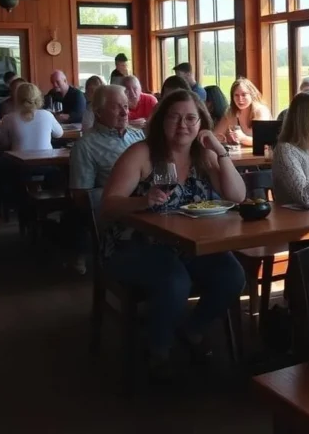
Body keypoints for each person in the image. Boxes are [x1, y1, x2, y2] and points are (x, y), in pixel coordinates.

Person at [102, 90, 246, 379]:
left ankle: (192, 329)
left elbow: (238, 195)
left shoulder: (203, 156)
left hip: (189, 245)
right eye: (175, 117)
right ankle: (158, 351)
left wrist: (219, 150)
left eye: (191, 118)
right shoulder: (142, 153)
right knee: (174, 280)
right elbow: (108, 204)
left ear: (200, 122)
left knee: (232, 275)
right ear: (162, 120)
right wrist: (143, 200)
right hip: (134, 245)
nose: (183, 124)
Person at [70, 85, 145, 191]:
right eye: (116, 107)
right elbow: (82, 197)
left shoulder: (138, 135)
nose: (124, 113)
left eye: (126, 106)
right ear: (98, 112)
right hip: (119, 205)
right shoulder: (85, 147)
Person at [0, 83, 62, 151]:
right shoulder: (47, 115)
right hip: (46, 160)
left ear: (16, 98)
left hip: (19, 160)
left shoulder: (8, 118)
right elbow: (59, 134)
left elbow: (4, 144)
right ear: (38, 98)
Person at [217, 77, 271, 148]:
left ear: (252, 95)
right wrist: (223, 138)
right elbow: (216, 134)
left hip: (262, 156)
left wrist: (243, 138)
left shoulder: (261, 111)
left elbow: (264, 142)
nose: (240, 99)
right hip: (241, 155)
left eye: (244, 95)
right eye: (236, 95)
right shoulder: (231, 112)